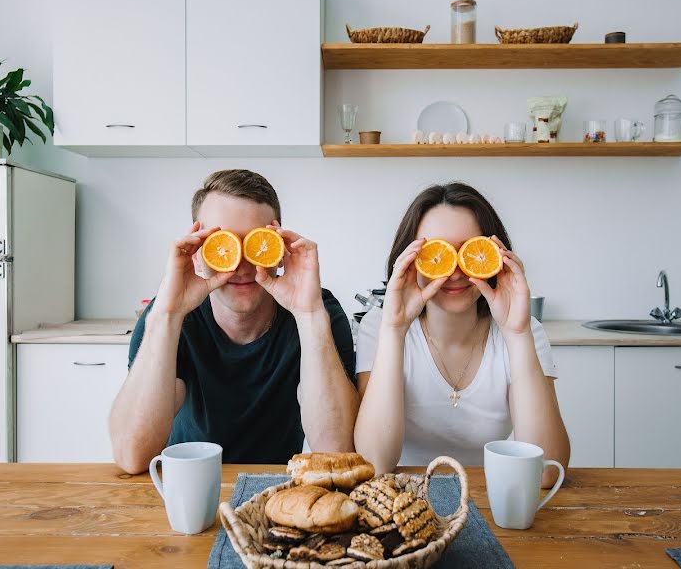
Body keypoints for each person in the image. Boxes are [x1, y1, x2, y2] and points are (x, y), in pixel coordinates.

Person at [110, 170, 358, 473]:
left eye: (257, 244)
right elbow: (132, 455)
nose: (241, 265)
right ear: (198, 254)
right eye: (222, 245)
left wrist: (309, 318)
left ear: (278, 250)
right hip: (186, 486)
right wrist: (167, 316)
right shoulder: (167, 316)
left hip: (273, 491)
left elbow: (337, 451)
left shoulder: (319, 311)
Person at [353, 182, 569, 486]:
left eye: (469, 252)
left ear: (494, 257)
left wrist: (517, 334)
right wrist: (394, 329)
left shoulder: (524, 330)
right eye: (437, 253)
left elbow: (547, 470)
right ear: (409, 260)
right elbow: (373, 464)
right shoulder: (380, 326)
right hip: (400, 498)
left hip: (490, 496)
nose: (454, 272)